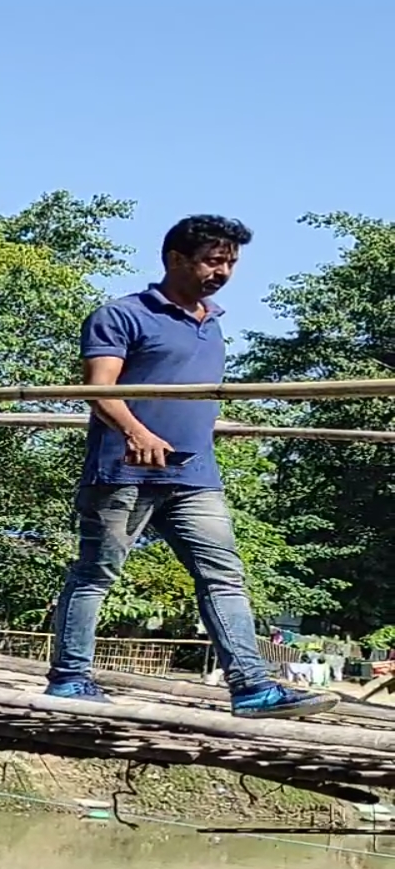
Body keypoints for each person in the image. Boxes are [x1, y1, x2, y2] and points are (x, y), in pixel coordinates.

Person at [44, 214, 335, 719]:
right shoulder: (122, 315)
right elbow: (97, 391)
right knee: (97, 573)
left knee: (223, 576)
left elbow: (189, 399)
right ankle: (70, 678)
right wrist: (137, 432)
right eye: (213, 260)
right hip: (123, 472)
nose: (223, 271)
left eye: (231, 263)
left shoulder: (213, 322)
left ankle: (251, 687)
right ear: (176, 259)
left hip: (195, 475)